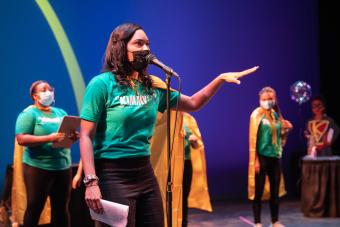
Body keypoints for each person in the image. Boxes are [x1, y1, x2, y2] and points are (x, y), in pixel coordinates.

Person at [80, 22, 259, 227]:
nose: (145, 49)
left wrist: (219, 79)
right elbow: (85, 135)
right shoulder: (102, 84)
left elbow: (193, 103)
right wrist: (91, 182)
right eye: (138, 43)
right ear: (120, 46)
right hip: (113, 174)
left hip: (144, 172)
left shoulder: (152, 86)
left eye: (147, 44)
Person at [15, 80, 78, 227]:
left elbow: (65, 137)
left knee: (61, 209)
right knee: (34, 207)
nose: (48, 92)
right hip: (38, 167)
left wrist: (72, 138)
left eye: (50, 89)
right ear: (35, 96)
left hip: (62, 167)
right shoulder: (29, 114)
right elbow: (21, 139)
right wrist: (49, 138)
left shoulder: (61, 113)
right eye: (43, 90)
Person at [248, 86, 293, 227]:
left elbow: (280, 138)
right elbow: (253, 139)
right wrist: (255, 160)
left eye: (270, 99)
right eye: (264, 99)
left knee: (275, 191)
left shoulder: (275, 115)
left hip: (275, 157)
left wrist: (287, 130)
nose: (267, 101)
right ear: (260, 100)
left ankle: (275, 221)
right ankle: (257, 222)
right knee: (259, 192)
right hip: (261, 157)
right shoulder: (256, 114)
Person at [181, 112, 212, 227]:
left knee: (184, 196)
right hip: (171, 164)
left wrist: (194, 141)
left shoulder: (188, 119)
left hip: (186, 162)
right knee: (171, 196)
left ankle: (183, 223)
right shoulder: (166, 117)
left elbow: (196, 145)